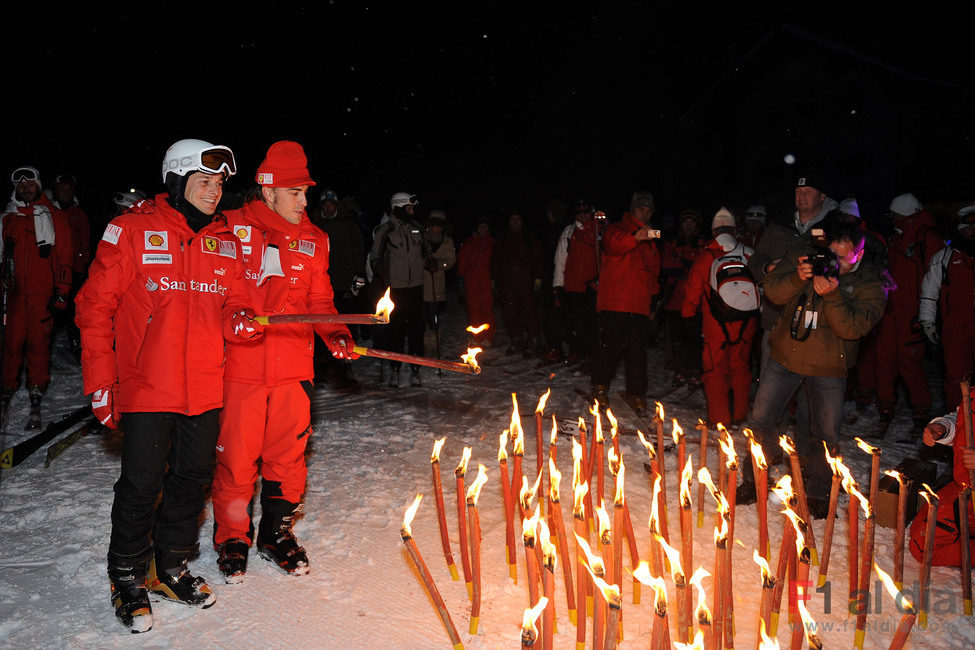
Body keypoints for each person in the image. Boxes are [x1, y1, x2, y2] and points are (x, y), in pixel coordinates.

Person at [76, 138, 251, 632]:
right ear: (176, 181)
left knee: (193, 480)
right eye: (203, 182)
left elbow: (235, 300)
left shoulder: (225, 240)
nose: (215, 192)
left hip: (204, 387)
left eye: (219, 184)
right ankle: (127, 577)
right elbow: (94, 307)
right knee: (141, 485)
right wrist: (101, 379)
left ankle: (169, 564)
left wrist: (240, 320)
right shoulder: (132, 230)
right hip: (147, 385)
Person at [211, 141, 357, 584]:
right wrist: (232, 316)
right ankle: (233, 536)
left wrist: (336, 334)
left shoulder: (314, 238)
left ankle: (276, 532)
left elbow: (320, 301)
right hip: (242, 369)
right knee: (237, 460)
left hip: (295, 371)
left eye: (306, 192)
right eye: (296, 192)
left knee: (289, 457)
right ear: (268, 190)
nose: (305, 201)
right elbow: (219, 293)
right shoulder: (230, 228)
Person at [739, 212, 886, 513]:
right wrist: (797, 276)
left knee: (824, 433)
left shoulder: (872, 282)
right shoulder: (809, 255)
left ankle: (819, 492)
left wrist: (832, 295)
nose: (835, 262)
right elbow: (774, 294)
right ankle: (754, 479)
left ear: (859, 253)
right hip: (785, 356)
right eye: (832, 253)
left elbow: (852, 329)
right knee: (761, 421)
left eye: (844, 259)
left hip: (828, 367)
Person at [1, 166, 72, 430]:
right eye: (21, 185)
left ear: (39, 186)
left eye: (30, 183)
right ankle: (7, 388)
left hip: (43, 294)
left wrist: (63, 291)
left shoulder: (54, 217)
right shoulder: (7, 218)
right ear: (15, 188)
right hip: (15, 294)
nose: (26, 188)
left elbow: (64, 256)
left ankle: (36, 390)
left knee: (39, 345)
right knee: (11, 344)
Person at [872, 193, 943, 438]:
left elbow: (937, 280)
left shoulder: (928, 239)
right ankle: (885, 408)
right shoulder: (897, 237)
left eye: (894, 215)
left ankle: (921, 411)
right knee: (884, 359)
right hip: (890, 310)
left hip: (912, 312)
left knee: (910, 363)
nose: (891, 219)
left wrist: (928, 314)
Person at [681, 208, 758, 427]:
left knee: (715, 370)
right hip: (746, 324)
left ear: (714, 231)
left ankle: (719, 418)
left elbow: (692, 290)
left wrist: (687, 318)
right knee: (741, 368)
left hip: (716, 326)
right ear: (735, 230)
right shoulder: (750, 253)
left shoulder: (707, 256)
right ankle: (740, 413)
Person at [590, 191, 661, 412]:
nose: (646, 212)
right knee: (610, 347)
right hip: (615, 302)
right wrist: (636, 237)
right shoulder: (617, 228)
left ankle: (636, 392)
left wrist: (654, 299)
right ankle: (600, 387)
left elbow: (653, 270)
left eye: (649, 209)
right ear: (632, 209)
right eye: (641, 208)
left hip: (638, 305)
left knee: (637, 352)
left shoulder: (652, 237)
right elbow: (613, 245)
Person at [368, 191, 430, 386]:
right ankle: (395, 370)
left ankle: (415, 370)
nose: (412, 211)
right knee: (396, 330)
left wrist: (431, 261)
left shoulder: (418, 228)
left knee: (416, 330)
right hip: (395, 289)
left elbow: (426, 250)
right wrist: (378, 265)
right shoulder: (385, 230)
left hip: (416, 287)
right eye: (409, 208)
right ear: (399, 208)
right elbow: (375, 255)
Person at [918, 204, 975, 412]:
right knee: (957, 380)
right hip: (956, 330)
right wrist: (927, 322)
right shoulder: (944, 258)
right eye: (969, 226)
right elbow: (929, 293)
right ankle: (955, 427)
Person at [912, 386, 975, 566]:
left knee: (924, 548)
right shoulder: (971, 392)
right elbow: (962, 422)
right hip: (964, 485)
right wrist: (942, 428)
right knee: (920, 527)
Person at [314, 188, 366, 392]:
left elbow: (358, 249)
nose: (328, 207)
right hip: (320, 284)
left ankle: (345, 367)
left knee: (345, 325)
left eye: (331, 203)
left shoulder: (347, 224)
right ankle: (320, 370)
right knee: (319, 327)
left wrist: (359, 274)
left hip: (343, 283)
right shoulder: (314, 224)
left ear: (336, 205)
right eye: (325, 204)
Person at [658, 209, 705, 387]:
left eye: (692, 222)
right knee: (677, 339)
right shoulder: (672, 241)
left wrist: (686, 264)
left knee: (695, 338)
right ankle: (680, 369)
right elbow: (666, 265)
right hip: (675, 299)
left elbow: (703, 267)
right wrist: (686, 265)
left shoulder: (702, 243)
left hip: (696, 301)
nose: (689, 225)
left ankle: (695, 370)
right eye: (686, 222)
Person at [553, 200, 600, 367]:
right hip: (572, 286)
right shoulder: (569, 231)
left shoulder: (599, 230)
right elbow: (560, 260)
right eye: (579, 213)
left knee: (592, 322)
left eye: (585, 212)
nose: (582, 215)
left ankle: (592, 354)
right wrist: (558, 285)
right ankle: (577, 352)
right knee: (574, 322)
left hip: (593, 286)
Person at [492, 209, 543, 356]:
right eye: (512, 219)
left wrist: (538, 279)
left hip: (526, 281)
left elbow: (538, 259)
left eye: (518, 219)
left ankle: (534, 340)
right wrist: (494, 280)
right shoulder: (503, 238)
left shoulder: (529, 238)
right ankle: (517, 340)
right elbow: (496, 260)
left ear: (522, 221)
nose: (515, 222)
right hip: (507, 283)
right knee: (509, 312)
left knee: (529, 311)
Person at [49, 174, 90, 357]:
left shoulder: (78, 214)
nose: (66, 192)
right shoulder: (46, 211)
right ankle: (42, 345)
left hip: (73, 271)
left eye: (69, 189)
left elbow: (85, 242)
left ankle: (76, 343)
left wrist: (81, 267)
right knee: (48, 308)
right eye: (62, 189)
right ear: (55, 191)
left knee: (73, 310)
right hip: (49, 271)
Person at [456, 216, 495, 347]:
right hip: (471, 281)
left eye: (486, 226)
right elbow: (462, 263)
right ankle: (477, 336)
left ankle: (488, 337)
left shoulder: (492, 243)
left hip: (486, 281)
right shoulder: (468, 243)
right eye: (481, 226)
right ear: (477, 228)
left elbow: (496, 263)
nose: (483, 228)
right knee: (473, 310)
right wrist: (460, 281)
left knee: (487, 310)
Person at [421, 209, 456, 357]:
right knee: (422, 317)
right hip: (421, 285)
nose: (437, 228)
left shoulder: (448, 241)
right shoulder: (421, 240)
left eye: (440, 225)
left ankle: (434, 344)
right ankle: (423, 344)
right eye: (435, 225)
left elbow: (452, 261)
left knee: (434, 317)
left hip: (437, 286)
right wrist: (424, 262)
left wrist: (438, 264)